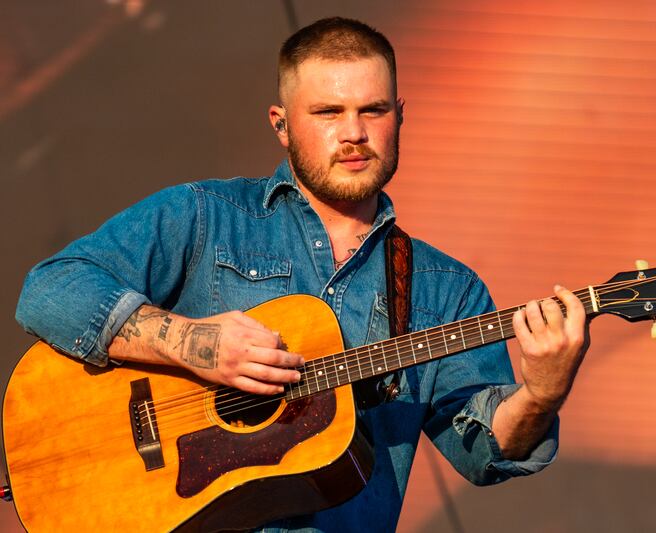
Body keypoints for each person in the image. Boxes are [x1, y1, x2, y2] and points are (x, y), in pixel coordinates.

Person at [15, 17, 589, 532]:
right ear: (282, 124)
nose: (354, 133)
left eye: (374, 110)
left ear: (400, 117)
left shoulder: (446, 290)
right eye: (327, 113)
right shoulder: (203, 216)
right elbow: (51, 289)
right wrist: (193, 342)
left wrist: (542, 391)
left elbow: (484, 455)